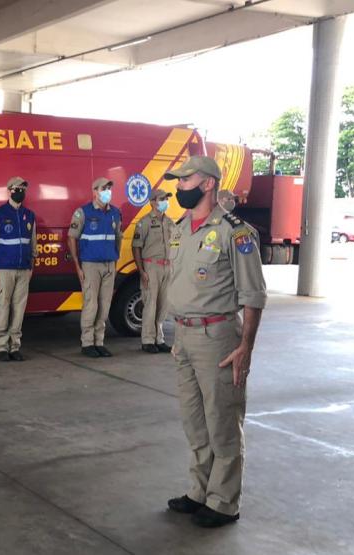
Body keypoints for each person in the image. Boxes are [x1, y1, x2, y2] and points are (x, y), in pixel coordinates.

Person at [163, 156, 266, 528]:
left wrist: (246, 347)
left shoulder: (235, 232)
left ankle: (224, 502)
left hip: (218, 336)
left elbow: (253, 295)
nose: (179, 187)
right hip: (185, 335)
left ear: (208, 184)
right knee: (194, 420)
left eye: (185, 180)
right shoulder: (181, 228)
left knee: (222, 420)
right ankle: (199, 491)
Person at [0, 176, 36, 362]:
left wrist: (31, 267)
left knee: (19, 309)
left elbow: (33, 245)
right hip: (3, 270)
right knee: (3, 307)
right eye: (18, 188)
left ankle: (15, 346)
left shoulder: (29, 215)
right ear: (10, 190)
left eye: (23, 188)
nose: (21, 191)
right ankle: (2, 347)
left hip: (23, 270)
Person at [67, 177, 122, 358]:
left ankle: (99, 342)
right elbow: (72, 238)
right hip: (90, 265)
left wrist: (115, 261)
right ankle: (87, 343)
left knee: (104, 305)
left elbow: (117, 239)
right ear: (95, 191)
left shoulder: (115, 212)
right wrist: (77, 265)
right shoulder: (83, 213)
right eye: (104, 188)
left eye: (109, 188)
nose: (108, 191)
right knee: (91, 304)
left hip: (109, 265)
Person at [132, 188, 175, 353]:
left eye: (166, 198)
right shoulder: (144, 222)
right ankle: (147, 340)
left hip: (167, 266)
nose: (165, 201)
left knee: (163, 305)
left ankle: (159, 338)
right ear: (152, 202)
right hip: (151, 266)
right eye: (162, 198)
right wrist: (141, 270)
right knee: (150, 303)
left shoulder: (169, 222)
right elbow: (136, 247)